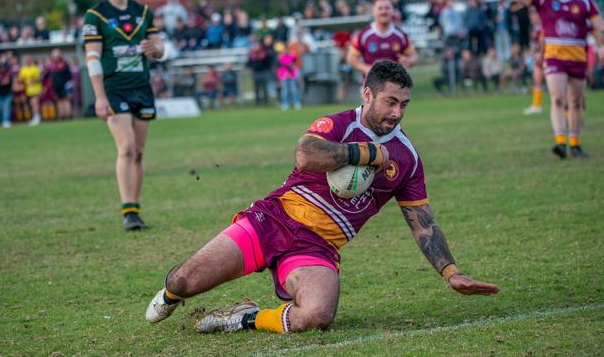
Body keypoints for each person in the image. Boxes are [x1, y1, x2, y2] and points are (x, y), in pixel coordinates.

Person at [145, 61, 500, 334]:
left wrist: (451, 272)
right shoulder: (337, 124)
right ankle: (172, 295)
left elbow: (423, 222)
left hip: (315, 248)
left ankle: (242, 319)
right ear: (367, 94)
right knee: (182, 281)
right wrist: (366, 154)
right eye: (390, 102)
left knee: (318, 315)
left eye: (404, 105)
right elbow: (306, 154)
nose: (397, 113)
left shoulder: (407, 158)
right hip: (273, 220)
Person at [83, 0, 167, 231]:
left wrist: (156, 49)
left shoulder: (143, 12)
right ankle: (127, 210)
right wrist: (99, 96)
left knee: (139, 151)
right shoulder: (95, 15)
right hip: (114, 89)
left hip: (141, 87)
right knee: (127, 147)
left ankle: (136, 210)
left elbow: (159, 49)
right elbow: (93, 58)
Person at [508, 0, 604, 158]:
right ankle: (560, 141)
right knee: (558, 97)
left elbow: (598, 26)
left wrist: (601, 46)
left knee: (575, 102)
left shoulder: (584, 2)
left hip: (577, 57)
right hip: (554, 57)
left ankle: (575, 143)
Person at [347, 0, 417, 78]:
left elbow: (414, 56)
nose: (384, 11)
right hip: (371, 87)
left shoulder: (400, 35)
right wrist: (366, 68)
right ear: (373, 11)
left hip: (395, 85)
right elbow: (351, 58)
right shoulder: (363, 35)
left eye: (387, 8)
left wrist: (408, 60)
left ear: (393, 11)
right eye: (380, 8)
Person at [523, 8, 545, 115]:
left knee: (555, 85)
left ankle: (566, 109)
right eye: (531, 15)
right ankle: (536, 106)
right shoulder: (535, 28)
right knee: (537, 81)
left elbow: (542, 42)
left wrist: (539, 52)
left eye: (535, 15)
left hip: (546, 58)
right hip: (538, 57)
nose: (533, 17)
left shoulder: (543, 26)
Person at [18, 55, 43, 126]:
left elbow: (39, 78)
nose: (27, 61)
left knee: (34, 102)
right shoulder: (23, 69)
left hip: (36, 89)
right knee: (32, 104)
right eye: (25, 60)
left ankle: (37, 117)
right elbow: (21, 79)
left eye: (28, 60)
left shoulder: (34, 68)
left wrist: (33, 80)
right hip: (28, 90)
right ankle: (35, 117)